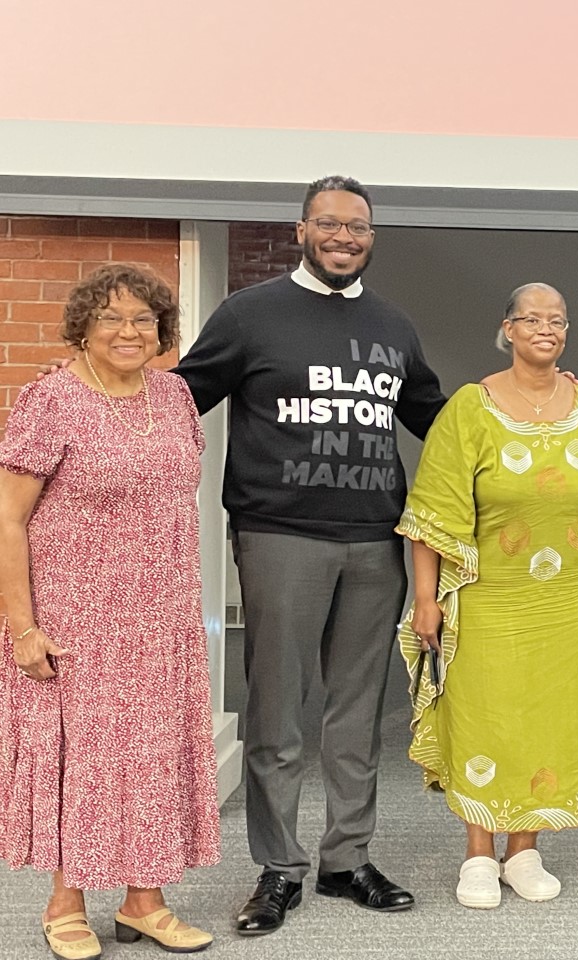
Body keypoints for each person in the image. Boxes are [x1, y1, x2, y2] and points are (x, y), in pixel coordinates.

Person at [177, 176, 446, 933]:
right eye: (328, 224)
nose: (343, 237)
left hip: (374, 543)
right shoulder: (249, 314)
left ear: (371, 237)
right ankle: (278, 867)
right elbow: (180, 400)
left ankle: (346, 859)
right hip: (279, 538)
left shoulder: (394, 326)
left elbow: (441, 420)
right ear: (301, 231)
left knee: (357, 712)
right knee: (277, 709)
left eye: (357, 227)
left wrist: (530, 415)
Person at [0, 265, 219, 959]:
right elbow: (7, 519)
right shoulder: (53, 400)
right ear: (84, 328)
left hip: (162, 620)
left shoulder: (176, 395)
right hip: (77, 621)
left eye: (144, 321)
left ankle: (143, 902)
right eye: (112, 319)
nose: (129, 332)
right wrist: (23, 627)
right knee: (87, 762)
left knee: (153, 758)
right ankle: (65, 904)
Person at [399, 283, 578, 910]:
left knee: (549, 719)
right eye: (531, 318)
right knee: (488, 715)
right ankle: (480, 853)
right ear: (507, 328)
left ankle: (525, 850)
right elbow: (433, 515)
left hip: (571, 605)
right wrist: (427, 599)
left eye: (557, 319)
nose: (545, 328)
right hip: (488, 602)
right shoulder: (469, 410)